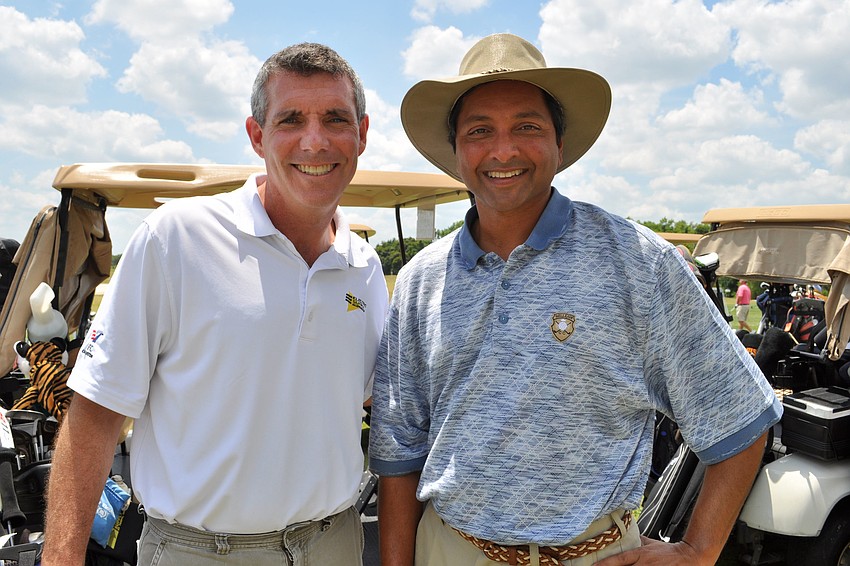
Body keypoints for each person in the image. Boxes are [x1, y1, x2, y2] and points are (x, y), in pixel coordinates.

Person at [368, 33, 781, 566]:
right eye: (479, 131)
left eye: (527, 126)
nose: (503, 150)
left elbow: (740, 416)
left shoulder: (639, 262)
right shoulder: (422, 279)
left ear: (559, 146)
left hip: (594, 554)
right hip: (449, 549)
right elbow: (398, 453)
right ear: (457, 153)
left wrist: (699, 552)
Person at [42, 42, 387, 566]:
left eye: (335, 119)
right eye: (291, 119)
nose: (314, 141)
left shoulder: (363, 267)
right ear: (257, 136)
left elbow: (366, 400)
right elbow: (95, 414)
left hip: (334, 544)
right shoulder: (174, 239)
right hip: (203, 551)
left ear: (361, 135)